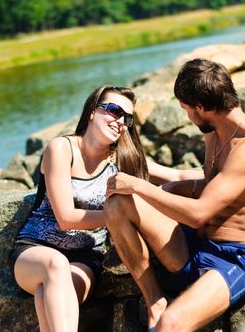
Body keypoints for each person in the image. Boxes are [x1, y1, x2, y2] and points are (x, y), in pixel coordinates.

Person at [104, 59, 245, 331]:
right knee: (118, 202)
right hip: (195, 246)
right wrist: (150, 176)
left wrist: (140, 187)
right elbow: (208, 183)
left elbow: (198, 215)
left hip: (236, 258)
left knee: (170, 324)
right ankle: (154, 300)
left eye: (186, 108)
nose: (187, 115)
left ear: (201, 107)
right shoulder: (214, 130)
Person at [9, 85, 148, 332]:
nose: (120, 122)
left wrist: (214, 177)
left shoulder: (121, 160)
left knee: (48, 294)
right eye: (114, 111)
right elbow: (66, 218)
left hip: (85, 258)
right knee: (55, 266)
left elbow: (172, 175)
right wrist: (117, 216)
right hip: (35, 250)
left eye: (127, 118)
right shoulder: (61, 149)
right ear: (93, 111)